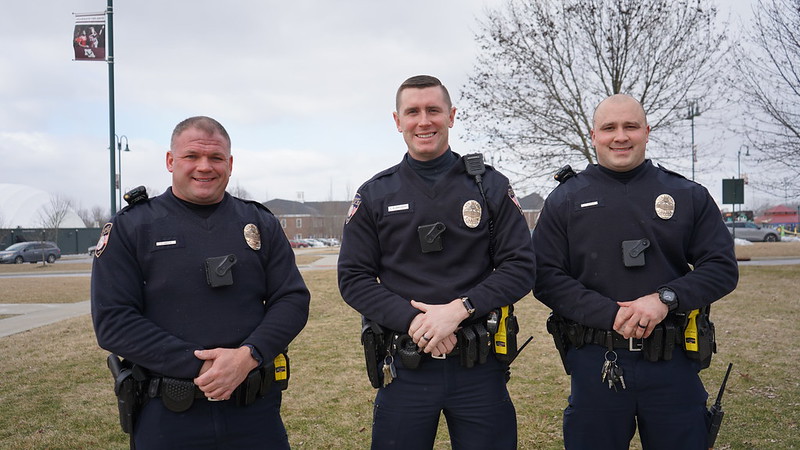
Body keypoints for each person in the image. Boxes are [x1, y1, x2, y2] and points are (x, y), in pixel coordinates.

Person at [337, 75, 536, 449]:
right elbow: (353, 278)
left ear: (451, 116)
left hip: (478, 366)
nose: (423, 121)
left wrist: (459, 310)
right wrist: (416, 323)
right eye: (412, 112)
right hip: (406, 366)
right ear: (397, 121)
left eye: (433, 110)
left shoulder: (489, 186)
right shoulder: (376, 194)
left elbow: (521, 267)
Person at [532, 94, 739, 449]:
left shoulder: (686, 194)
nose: (620, 136)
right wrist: (610, 314)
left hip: (673, 362)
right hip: (597, 364)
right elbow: (544, 276)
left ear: (646, 131)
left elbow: (721, 267)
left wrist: (664, 300)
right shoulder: (565, 200)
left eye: (630, 126)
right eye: (609, 128)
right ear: (593, 135)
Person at [91, 116, 310, 449]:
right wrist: (204, 366)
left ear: (230, 164)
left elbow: (292, 299)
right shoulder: (132, 227)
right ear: (170, 161)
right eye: (192, 156)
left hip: (254, 412)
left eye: (216, 158)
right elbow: (114, 321)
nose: (204, 167)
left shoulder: (258, 222)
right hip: (168, 415)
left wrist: (248, 356)